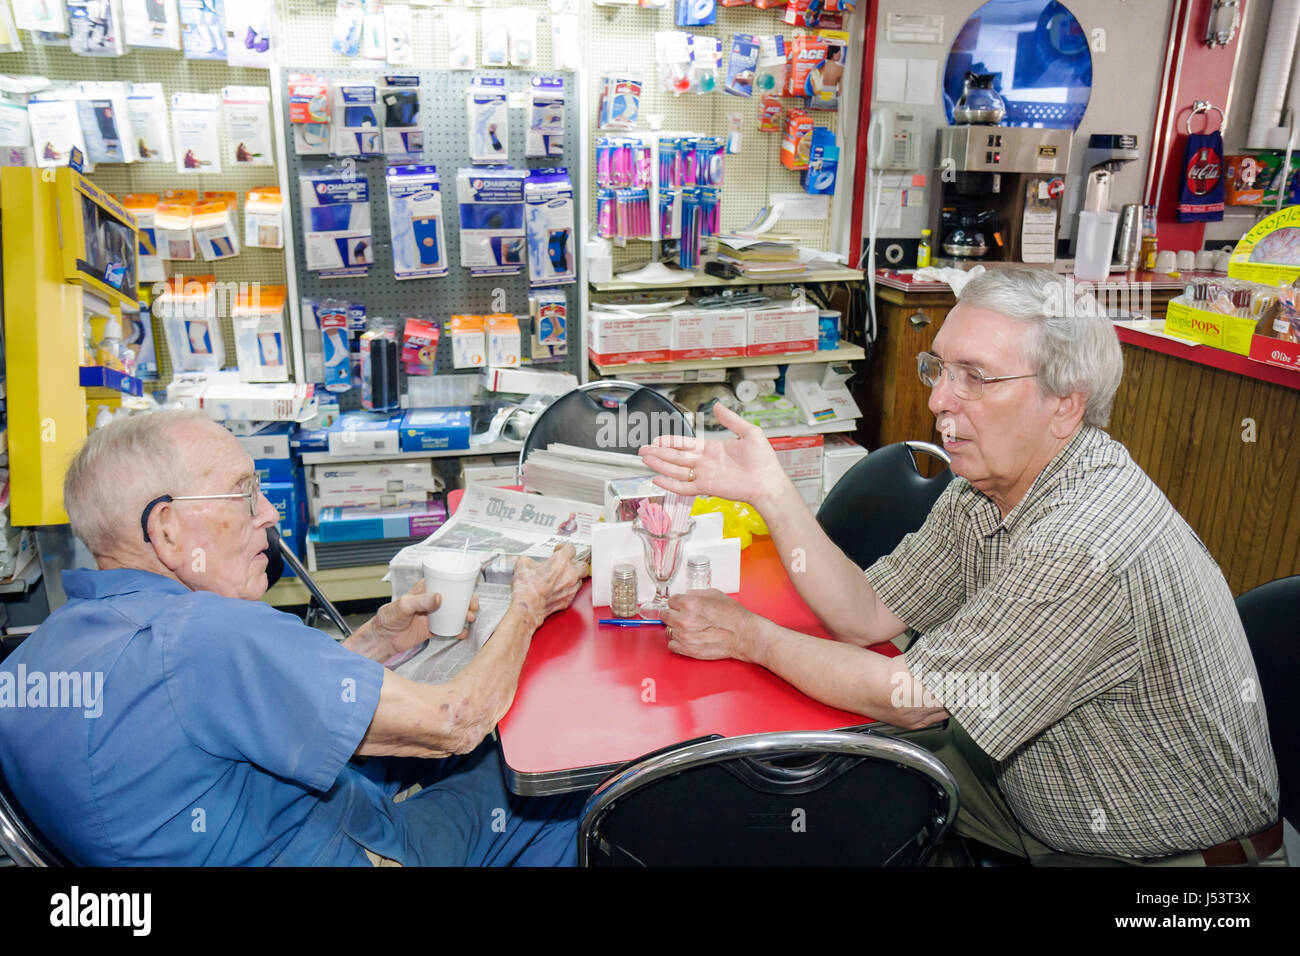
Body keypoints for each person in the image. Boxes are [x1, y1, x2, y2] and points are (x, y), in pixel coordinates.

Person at [639, 267, 1282, 867]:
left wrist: (748, 635)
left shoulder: (1086, 541)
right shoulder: (990, 486)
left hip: (1153, 858)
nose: (939, 400)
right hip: (1031, 787)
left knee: (819, 814)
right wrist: (772, 492)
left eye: (976, 376)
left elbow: (910, 701)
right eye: (940, 369)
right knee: (807, 789)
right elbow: (867, 614)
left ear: (1065, 404)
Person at [0, 410, 589, 866]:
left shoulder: (36, 661)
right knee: (540, 781)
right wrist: (528, 605)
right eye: (243, 492)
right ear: (168, 531)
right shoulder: (205, 635)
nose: (268, 514)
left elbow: (238, 705)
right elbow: (453, 721)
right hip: (337, 847)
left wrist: (378, 640)